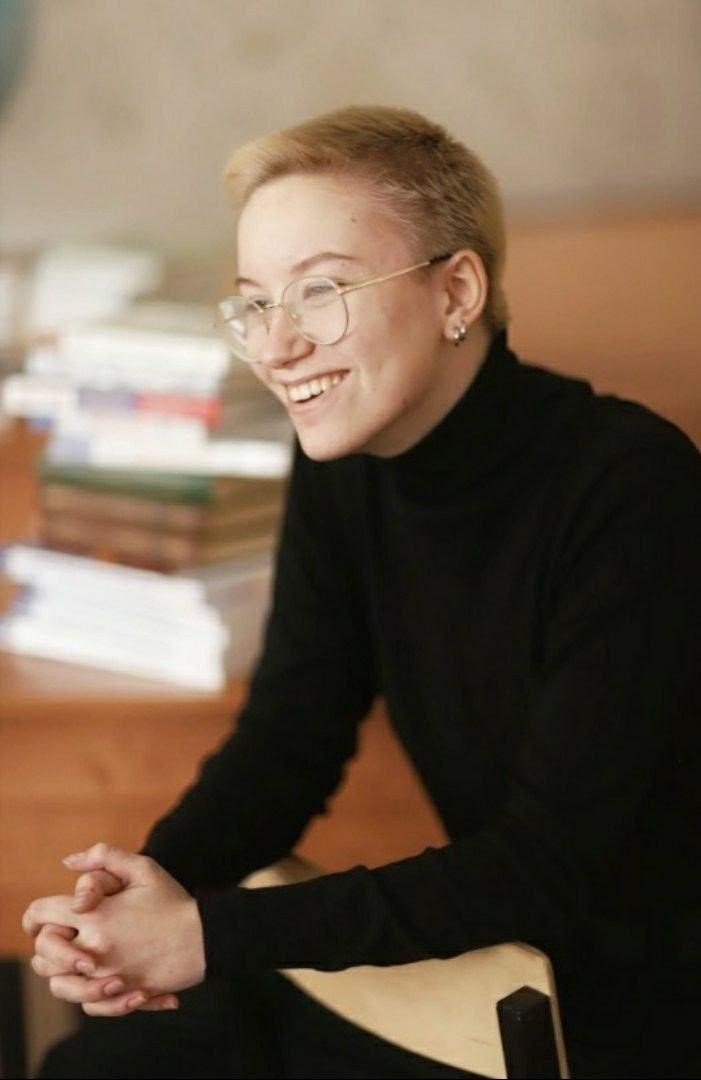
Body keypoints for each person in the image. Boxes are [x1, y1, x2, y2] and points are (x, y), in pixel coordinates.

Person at [23, 106, 701, 1079]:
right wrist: (146, 892)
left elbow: (543, 866)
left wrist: (205, 935)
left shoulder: (629, 486)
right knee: (112, 1059)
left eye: (321, 291)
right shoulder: (345, 462)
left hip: (623, 1013)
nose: (276, 346)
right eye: (254, 304)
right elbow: (289, 739)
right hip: (483, 971)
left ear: (455, 291)